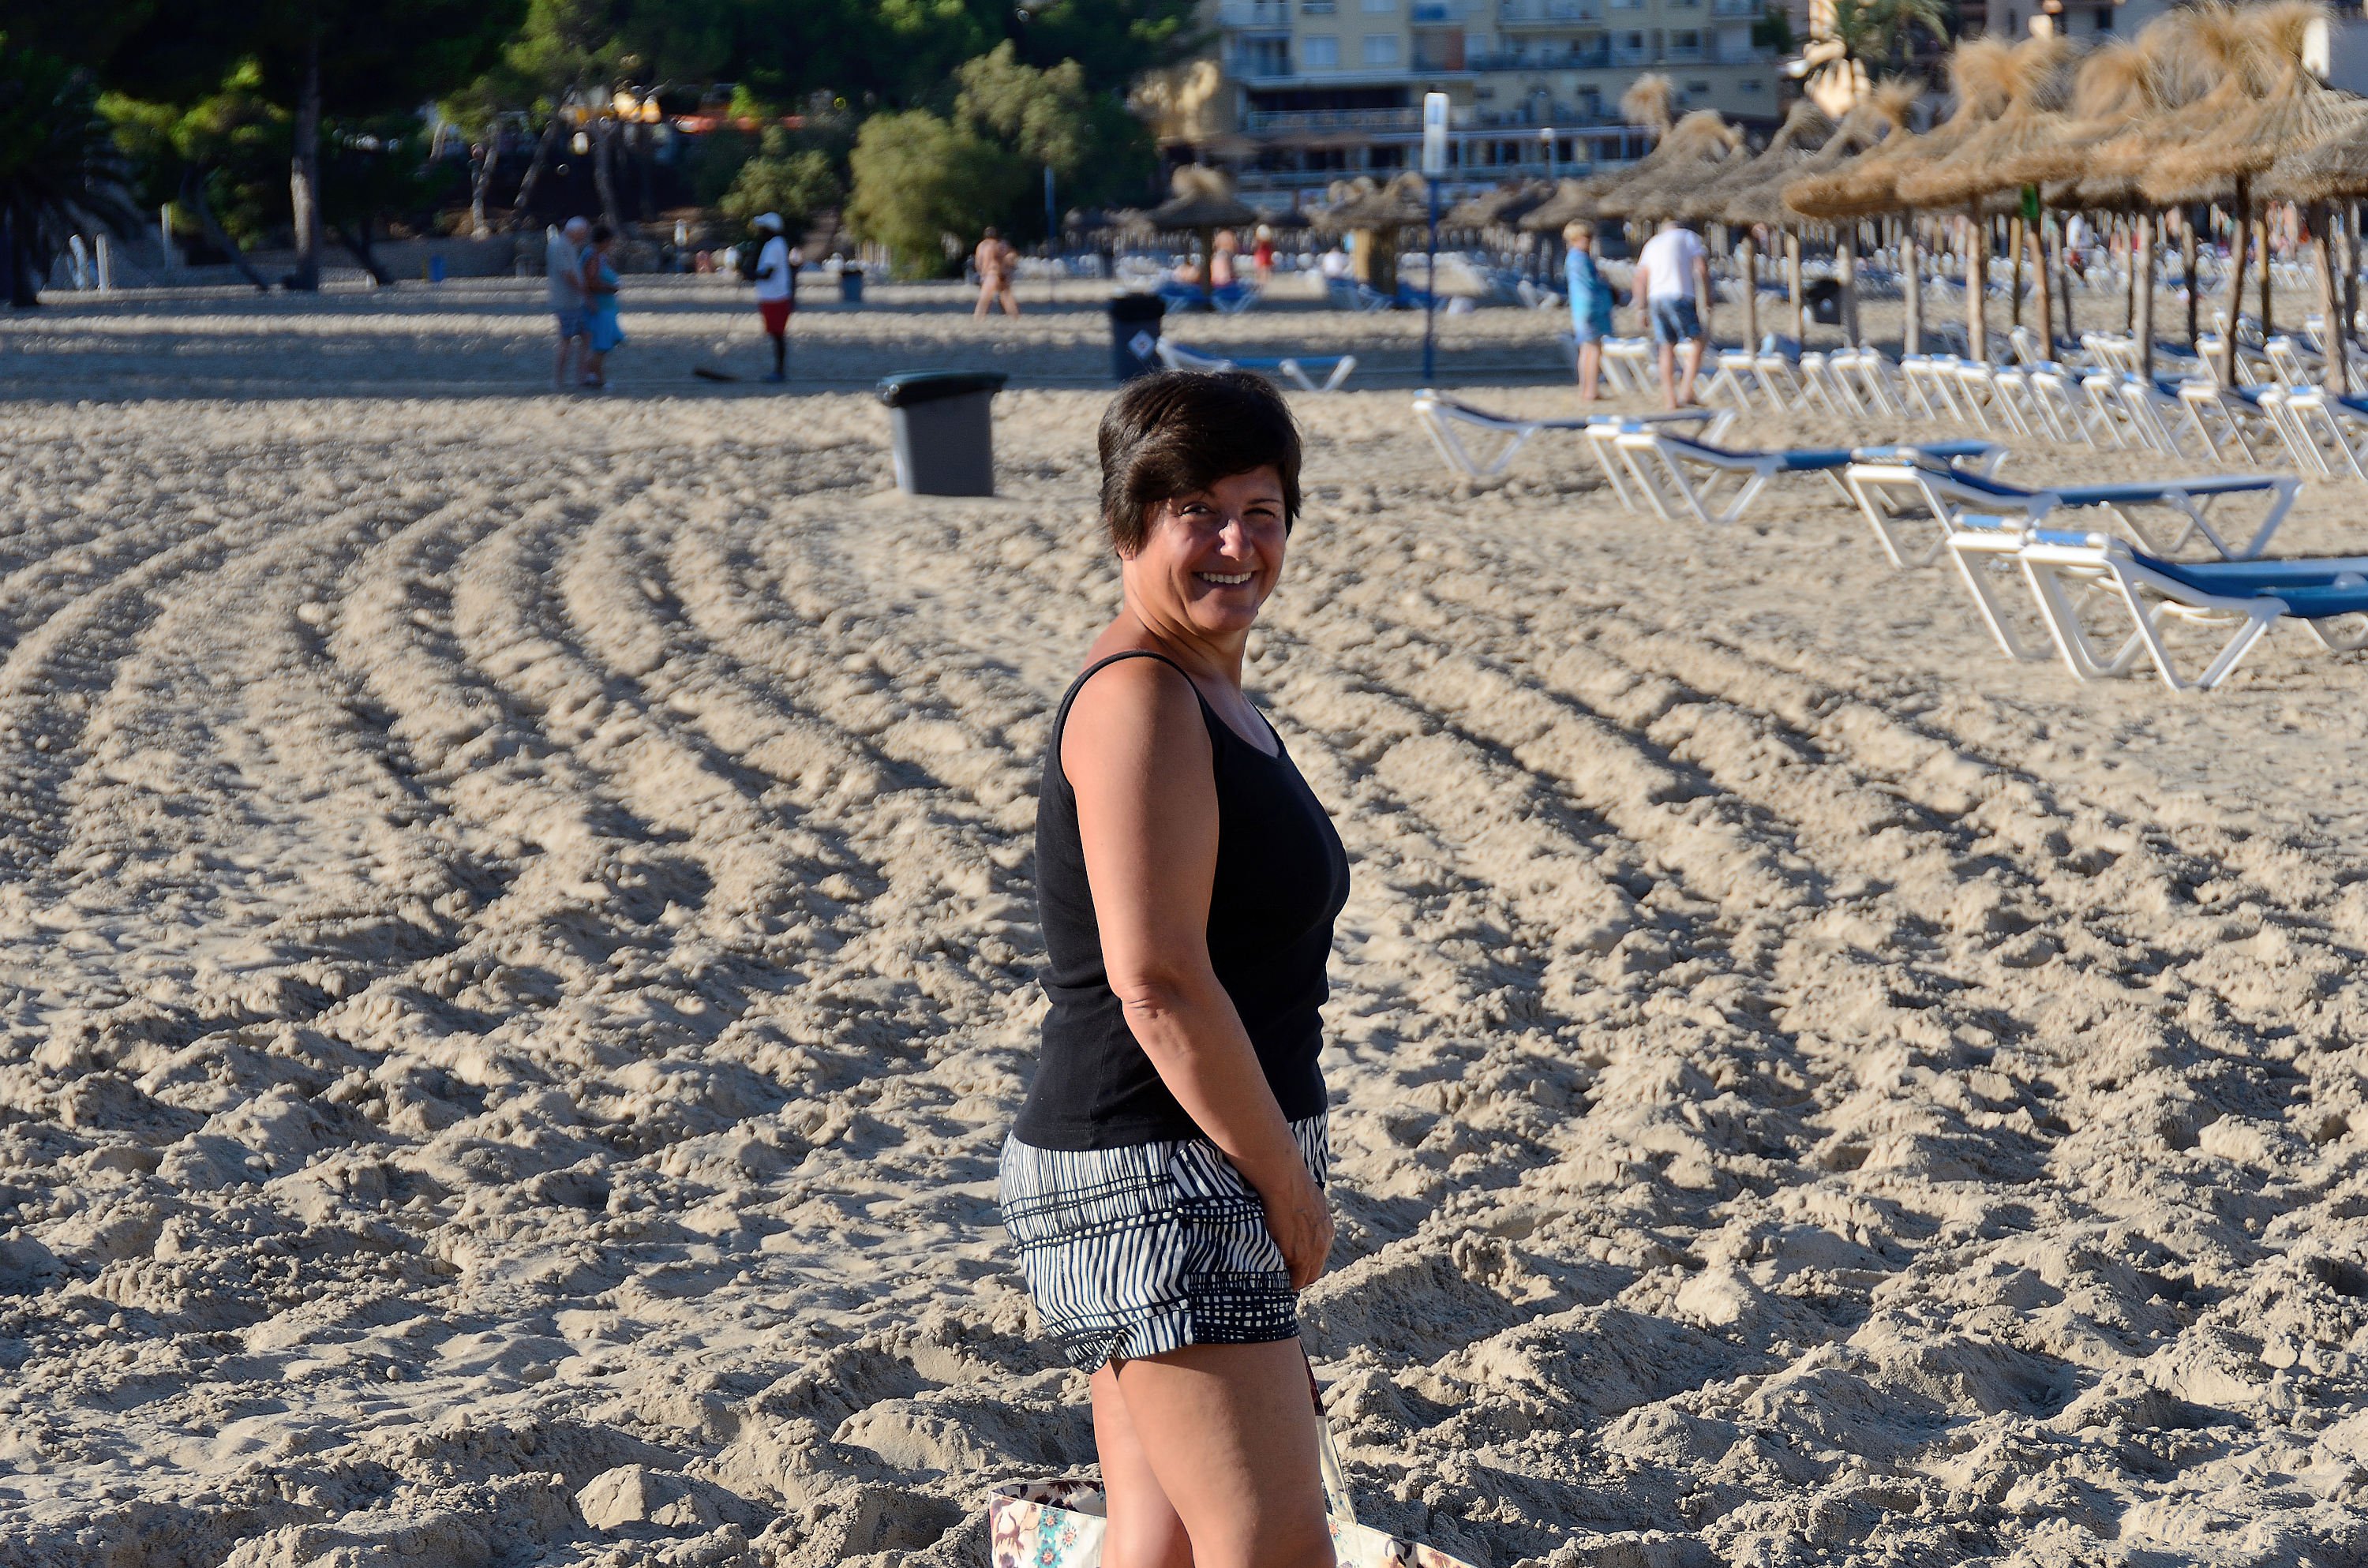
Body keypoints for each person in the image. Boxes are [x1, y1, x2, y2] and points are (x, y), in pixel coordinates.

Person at [999, 370, 1351, 1568]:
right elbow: (1155, 980)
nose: (1236, 543)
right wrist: (1286, 1188)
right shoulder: (1142, 697)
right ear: (1126, 527)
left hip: (1172, 1162)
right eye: (1197, 510)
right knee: (1273, 1547)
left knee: (1160, 1544)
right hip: (1159, 1174)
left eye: (1262, 510)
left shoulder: (1201, 688)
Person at [1636, 217, 1710, 409]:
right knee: (1698, 340)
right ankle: (1686, 391)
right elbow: (1701, 268)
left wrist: (1641, 308)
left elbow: (1640, 277)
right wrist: (1707, 296)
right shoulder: (1688, 237)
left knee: (1666, 347)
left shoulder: (1652, 243)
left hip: (1656, 297)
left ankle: (1670, 398)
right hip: (1679, 294)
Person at [1564, 219, 1617, 403]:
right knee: (1594, 349)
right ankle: (1591, 390)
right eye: (1586, 237)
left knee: (1586, 349)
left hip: (1580, 308)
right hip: (1592, 307)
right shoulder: (1581, 259)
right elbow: (1593, 284)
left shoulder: (1572, 258)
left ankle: (1585, 388)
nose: (1589, 241)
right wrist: (1606, 283)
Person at [751, 211, 797, 384]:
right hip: (774, 295)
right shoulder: (778, 243)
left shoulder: (773, 245)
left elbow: (768, 273)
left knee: (778, 335)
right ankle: (779, 370)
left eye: (762, 228)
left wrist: (751, 274)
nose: (760, 231)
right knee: (776, 335)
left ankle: (779, 371)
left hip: (775, 296)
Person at [547, 217, 590, 391]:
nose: (584, 237)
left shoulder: (570, 246)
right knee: (566, 340)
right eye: (583, 233)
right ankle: (558, 380)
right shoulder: (559, 246)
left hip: (576, 301)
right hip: (566, 302)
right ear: (575, 231)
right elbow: (567, 274)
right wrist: (584, 292)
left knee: (587, 336)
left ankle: (581, 377)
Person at [579, 223, 624, 389]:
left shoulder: (598, 256)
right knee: (601, 345)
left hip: (605, 306)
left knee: (603, 344)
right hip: (600, 307)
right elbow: (590, 282)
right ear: (605, 241)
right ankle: (598, 379)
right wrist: (611, 288)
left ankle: (591, 376)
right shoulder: (592, 256)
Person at [975, 226, 1020, 317]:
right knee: (1006, 295)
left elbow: (979, 262)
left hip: (989, 273)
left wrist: (982, 273)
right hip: (997, 272)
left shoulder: (981, 246)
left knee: (984, 298)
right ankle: (1014, 316)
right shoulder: (997, 245)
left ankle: (978, 317)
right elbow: (1006, 257)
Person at [1252, 224, 1276, 290]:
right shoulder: (1258, 241)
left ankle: (1263, 283)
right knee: (1260, 269)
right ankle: (1261, 282)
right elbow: (1254, 247)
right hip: (1261, 255)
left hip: (1264, 255)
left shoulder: (1267, 242)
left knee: (1264, 269)